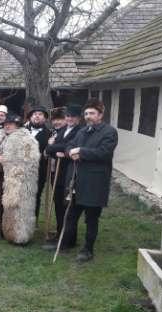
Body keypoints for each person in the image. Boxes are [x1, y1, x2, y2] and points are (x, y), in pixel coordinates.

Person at [49, 99, 118, 262]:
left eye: (92, 113)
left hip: (95, 182)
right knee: (70, 215)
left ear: (100, 115)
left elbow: (104, 153)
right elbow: (68, 146)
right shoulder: (82, 131)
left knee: (91, 219)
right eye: (86, 113)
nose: (88, 116)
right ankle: (65, 242)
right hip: (76, 181)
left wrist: (81, 151)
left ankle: (88, 250)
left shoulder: (109, 132)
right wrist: (69, 152)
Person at [0, 113, 40, 244]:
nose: (8, 126)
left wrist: (7, 161)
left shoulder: (27, 139)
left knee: (14, 207)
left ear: (18, 125)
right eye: (6, 124)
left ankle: (16, 235)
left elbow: (30, 161)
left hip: (16, 180)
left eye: (11, 124)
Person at [44, 104, 83, 247]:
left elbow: (66, 147)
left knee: (68, 206)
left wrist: (55, 148)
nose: (70, 119)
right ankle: (60, 233)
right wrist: (54, 148)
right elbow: (50, 148)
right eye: (68, 116)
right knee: (58, 205)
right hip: (58, 173)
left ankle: (68, 239)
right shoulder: (63, 130)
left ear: (78, 118)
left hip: (69, 173)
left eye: (73, 117)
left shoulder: (80, 131)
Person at [25, 106, 51, 219]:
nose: (37, 116)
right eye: (34, 114)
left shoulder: (49, 134)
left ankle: (32, 220)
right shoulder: (22, 131)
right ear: (30, 117)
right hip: (21, 169)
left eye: (40, 114)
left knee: (35, 195)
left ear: (45, 119)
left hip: (39, 170)